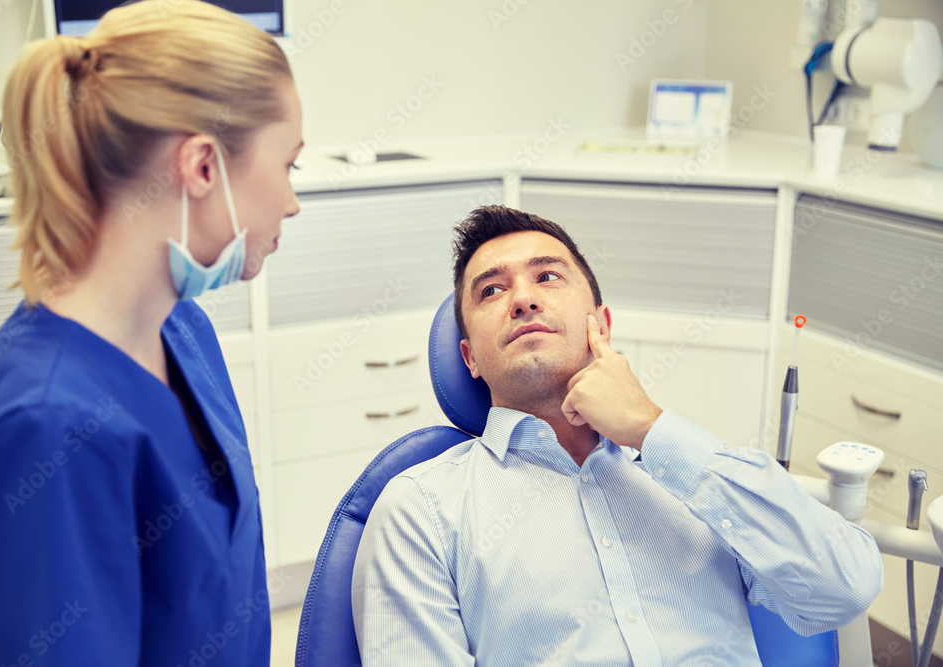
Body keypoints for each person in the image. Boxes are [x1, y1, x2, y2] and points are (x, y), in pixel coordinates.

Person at [352, 205, 884, 666]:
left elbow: (845, 589)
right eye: (491, 290)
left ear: (600, 326)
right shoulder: (419, 508)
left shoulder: (696, 471)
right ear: (470, 357)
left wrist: (652, 430)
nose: (522, 299)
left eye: (548, 277)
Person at [0, 1, 301, 664]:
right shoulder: (44, 425)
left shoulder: (183, 333)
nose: (291, 201)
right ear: (201, 167)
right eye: (289, 165)